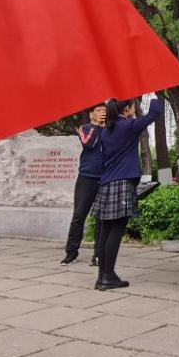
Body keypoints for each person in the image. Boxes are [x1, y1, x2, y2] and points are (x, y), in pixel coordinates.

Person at [92, 95, 163, 290]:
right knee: (116, 230)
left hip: (107, 183)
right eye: (133, 106)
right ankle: (108, 275)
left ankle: (103, 275)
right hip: (122, 183)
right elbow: (154, 113)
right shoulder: (128, 126)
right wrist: (155, 94)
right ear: (128, 109)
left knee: (106, 230)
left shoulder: (107, 130)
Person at [60, 103, 106, 266]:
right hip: (86, 178)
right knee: (79, 216)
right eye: (99, 111)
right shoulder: (85, 129)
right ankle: (71, 253)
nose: (103, 113)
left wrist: (106, 128)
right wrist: (97, 127)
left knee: (102, 218)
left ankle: (99, 255)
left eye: (104, 111)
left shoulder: (109, 129)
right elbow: (88, 143)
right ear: (91, 114)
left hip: (104, 179)